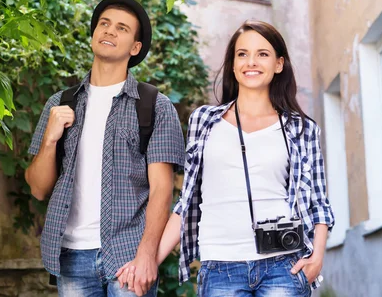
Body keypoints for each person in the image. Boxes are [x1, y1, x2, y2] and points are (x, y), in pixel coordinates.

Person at [118, 20, 335, 296]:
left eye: (263, 54)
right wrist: (147, 260)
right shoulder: (205, 121)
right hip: (220, 267)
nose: (251, 62)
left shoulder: (300, 128)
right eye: (242, 54)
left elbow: (318, 202)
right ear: (233, 65)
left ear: (279, 64)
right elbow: (187, 201)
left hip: (283, 266)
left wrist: (317, 257)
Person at [26, 0, 185, 297]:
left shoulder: (155, 106)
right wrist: (49, 139)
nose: (110, 31)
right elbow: (37, 189)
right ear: (94, 34)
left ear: (135, 48)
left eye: (122, 28)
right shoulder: (60, 104)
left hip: (128, 256)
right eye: (104, 24)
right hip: (71, 257)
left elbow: (162, 191)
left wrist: (147, 255)